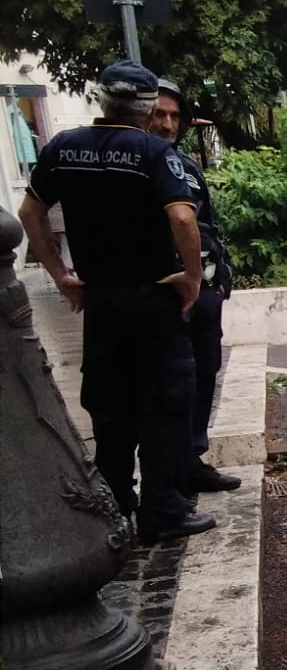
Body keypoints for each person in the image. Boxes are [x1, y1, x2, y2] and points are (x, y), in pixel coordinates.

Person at [16, 59, 215, 545]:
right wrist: (191, 276)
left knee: (110, 407)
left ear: (101, 100)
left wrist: (61, 276)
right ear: (148, 109)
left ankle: (116, 507)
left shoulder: (63, 148)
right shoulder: (151, 152)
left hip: (101, 303)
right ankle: (162, 510)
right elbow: (183, 219)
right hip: (152, 299)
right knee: (166, 402)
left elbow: (29, 211)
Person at [150, 78, 241, 497]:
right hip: (163, 290)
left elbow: (206, 221)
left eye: (174, 116)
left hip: (203, 288)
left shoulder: (183, 163)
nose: (168, 124)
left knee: (205, 372)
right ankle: (168, 476)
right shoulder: (142, 164)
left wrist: (220, 275)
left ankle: (192, 458)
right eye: (159, 114)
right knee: (170, 385)